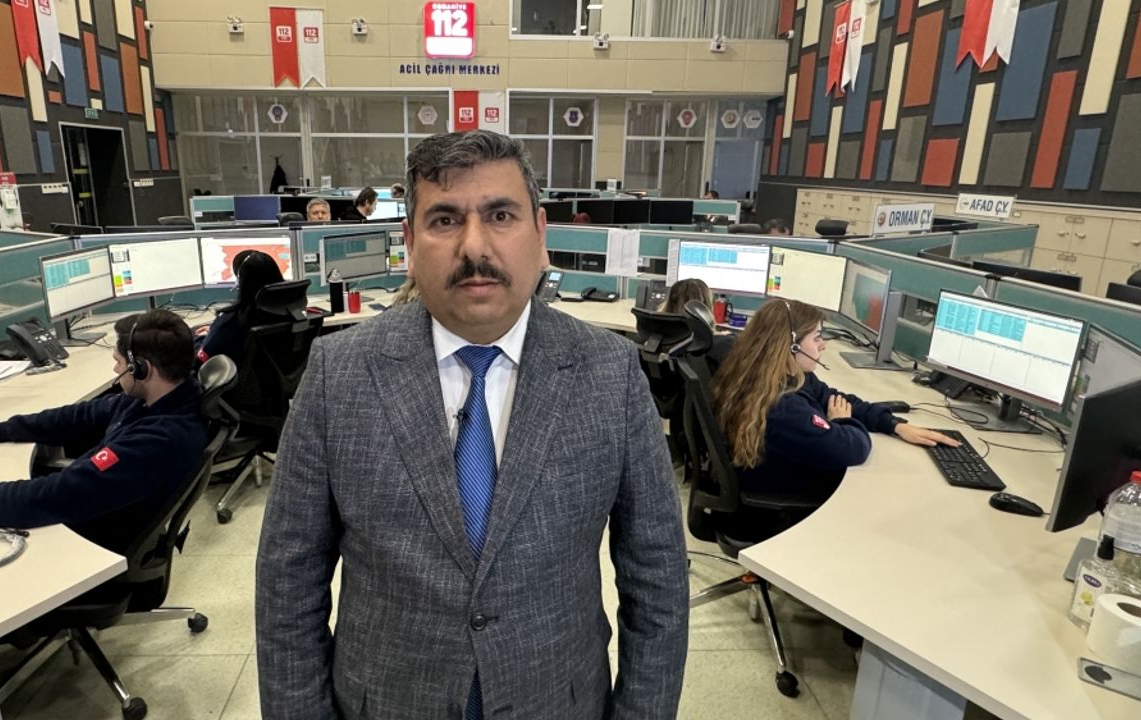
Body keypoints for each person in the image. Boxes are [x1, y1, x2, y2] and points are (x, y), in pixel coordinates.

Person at [256, 130, 689, 719]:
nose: (474, 245)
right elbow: (287, 584)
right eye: (444, 220)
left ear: (540, 232)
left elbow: (658, 576)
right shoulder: (340, 373)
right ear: (410, 241)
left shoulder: (609, 372)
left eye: (500, 215)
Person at [0, 310, 207, 555]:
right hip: (89, 509)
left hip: (86, 544)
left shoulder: (159, 439)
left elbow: (51, 496)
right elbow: (78, 416)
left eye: (119, 362)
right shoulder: (155, 400)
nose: (115, 369)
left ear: (143, 369)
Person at [711, 299, 958, 502]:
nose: (824, 345)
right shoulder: (784, 407)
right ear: (792, 346)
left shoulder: (783, 375)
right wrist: (842, 421)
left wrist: (894, 425)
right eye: (816, 338)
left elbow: (835, 399)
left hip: (785, 469)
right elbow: (853, 449)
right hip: (786, 494)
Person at [195, 250, 284, 365]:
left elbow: (200, 362)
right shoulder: (292, 311)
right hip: (280, 373)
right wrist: (215, 330)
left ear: (242, 283)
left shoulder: (232, 322)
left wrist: (206, 337)